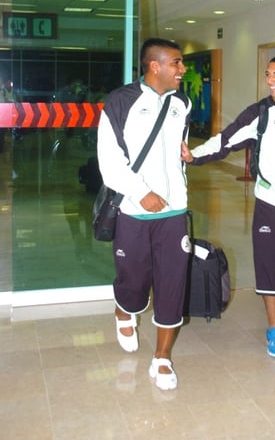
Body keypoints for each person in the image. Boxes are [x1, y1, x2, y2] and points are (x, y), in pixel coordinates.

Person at [181, 55, 275, 357]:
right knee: (268, 264)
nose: (271, 80)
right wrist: (194, 155)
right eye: (268, 74)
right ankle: (274, 328)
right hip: (271, 204)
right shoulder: (259, 113)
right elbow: (225, 139)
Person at [97, 38, 191, 390]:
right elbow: (109, 162)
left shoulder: (182, 102)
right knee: (133, 280)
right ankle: (125, 311)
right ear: (156, 66)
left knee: (172, 284)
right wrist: (142, 192)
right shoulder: (120, 102)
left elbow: (174, 144)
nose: (183, 69)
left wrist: (184, 155)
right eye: (177, 63)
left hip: (175, 211)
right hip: (134, 212)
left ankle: (162, 358)